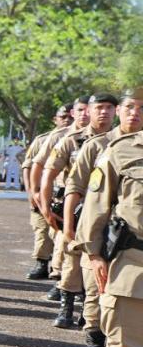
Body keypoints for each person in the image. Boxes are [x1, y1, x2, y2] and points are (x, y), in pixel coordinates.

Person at [78, 86, 143, 347]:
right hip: (134, 261)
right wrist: (94, 253)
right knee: (123, 338)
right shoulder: (122, 151)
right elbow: (96, 206)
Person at [67, 92, 136, 347]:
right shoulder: (99, 146)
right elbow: (77, 186)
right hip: (102, 235)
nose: (135, 113)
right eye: (129, 107)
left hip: (131, 243)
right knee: (96, 293)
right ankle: (95, 343)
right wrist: (71, 231)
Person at [43, 94, 117, 330]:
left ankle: (91, 312)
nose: (103, 112)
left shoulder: (122, 143)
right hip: (78, 209)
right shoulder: (73, 141)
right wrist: (43, 204)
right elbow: (53, 175)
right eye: (98, 108)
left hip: (112, 213)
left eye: (109, 108)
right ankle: (67, 307)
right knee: (72, 260)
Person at [23, 105, 72, 278]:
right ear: (55, 119)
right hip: (42, 192)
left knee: (61, 233)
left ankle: (60, 271)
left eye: (69, 116)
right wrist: (31, 191)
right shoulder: (42, 140)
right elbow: (28, 166)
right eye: (63, 116)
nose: (67, 119)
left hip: (62, 193)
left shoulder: (78, 139)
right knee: (41, 230)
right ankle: (42, 263)